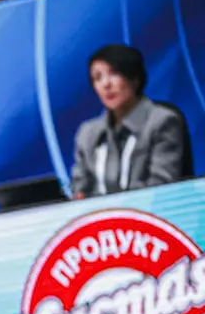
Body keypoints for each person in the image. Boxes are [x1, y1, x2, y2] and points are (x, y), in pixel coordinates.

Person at [70, 44, 191, 199]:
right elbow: (80, 189)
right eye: (97, 78)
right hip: (102, 221)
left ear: (134, 78)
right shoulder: (88, 133)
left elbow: (161, 187)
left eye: (113, 73)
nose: (106, 84)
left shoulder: (163, 121)